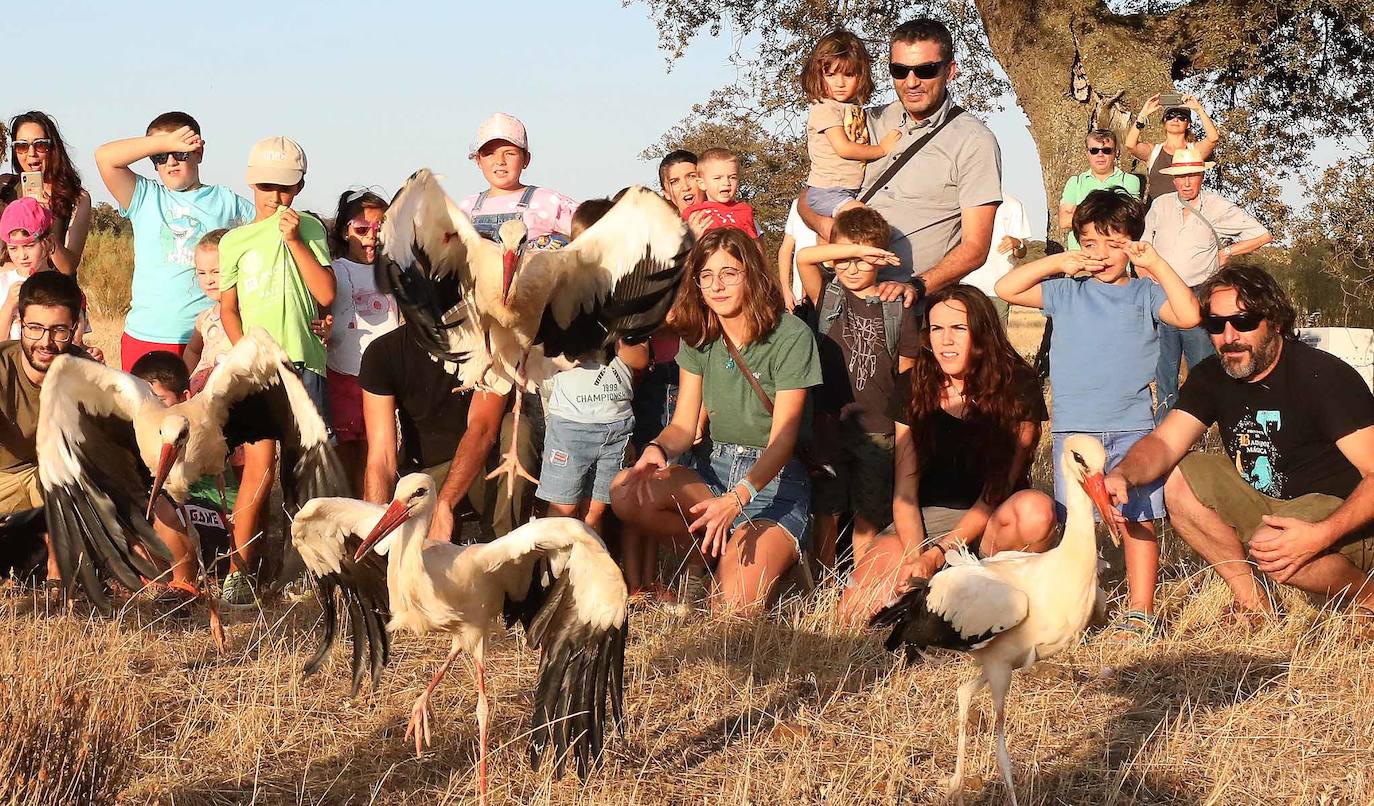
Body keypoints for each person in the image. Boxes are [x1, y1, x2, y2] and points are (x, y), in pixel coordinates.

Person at [1106, 265, 1374, 623]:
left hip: (1339, 513)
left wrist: (1321, 533)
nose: (1228, 336)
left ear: (1274, 321)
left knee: (1271, 544)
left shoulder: (1322, 377)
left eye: (1243, 322)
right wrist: (1123, 474)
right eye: (1216, 325)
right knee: (1177, 479)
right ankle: (1254, 603)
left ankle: (1367, 596)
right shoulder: (1212, 376)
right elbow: (1164, 444)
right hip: (1269, 502)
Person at [996, 189, 1200, 641]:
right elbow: (1005, 288)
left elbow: (1188, 316)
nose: (1101, 255)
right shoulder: (1067, 291)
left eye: (1114, 243)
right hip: (1075, 430)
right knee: (1077, 526)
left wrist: (1156, 264)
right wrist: (1058, 262)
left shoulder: (1146, 293)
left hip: (1131, 427)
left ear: (1133, 242)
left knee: (1136, 518)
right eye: (1089, 243)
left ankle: (1141, 611)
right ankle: (1081, 604)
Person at [611, 228, 821, 612]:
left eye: (729, 273)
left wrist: (738, 498)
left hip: (773, 481)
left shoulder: (791, 334)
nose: (716, 285)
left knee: (730, 611)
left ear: (752, 275)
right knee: (627, 490)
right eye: (706, 275)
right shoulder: (700, 335)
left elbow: (784, 439)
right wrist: (657, 449)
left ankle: (761, 559)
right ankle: (707, 552)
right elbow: (684, 426)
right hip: (714, 469)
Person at [837, 285, 1053, 622]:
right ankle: (938, 603)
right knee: (852, 614)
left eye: (958, 329)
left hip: (993, 522)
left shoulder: (1018, 384)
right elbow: (904, 493)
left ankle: (1000, 598)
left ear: (982, 333)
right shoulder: (914, 384)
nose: (945, 341)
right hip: (924, 521)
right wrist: (916, 556)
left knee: (1037, 511)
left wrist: (938, 556)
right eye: (936, 329)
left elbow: (996, 491)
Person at [799, 17, 1001, 296]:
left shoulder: (974, 141)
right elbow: (810, 196)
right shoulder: (865, 120)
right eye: (900, 70)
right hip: (842, 293)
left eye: (926, 70)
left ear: (950, 71)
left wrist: (914, 287)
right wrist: (835, 233)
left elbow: (975, 248)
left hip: (908, 304)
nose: (911, 81)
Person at [217, 136, 334, 606]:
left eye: (285, 187)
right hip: (261, 371)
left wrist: (293, 240)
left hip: (305, 364)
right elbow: (229, 307)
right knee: (260, 467)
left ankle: (308, 569)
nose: (275, 196)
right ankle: (239, 570)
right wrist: (245, 352)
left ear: (301, 186)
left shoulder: (310, 229)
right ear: (250, 183)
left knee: (306, 470)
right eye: (266, 186)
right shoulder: (236, 241)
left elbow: (326, 294)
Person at [795, 206, 919, 573]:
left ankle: (860, 581)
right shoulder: (829, 297)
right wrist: (852, 252)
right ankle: (822, 583)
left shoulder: (897, 307)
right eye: (844, 258)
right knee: (827, 511)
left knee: (869, 514)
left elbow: (908, 376)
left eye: (862, 260)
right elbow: (804, 258)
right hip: (829, 424)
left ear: (881, 260)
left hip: (879, 429)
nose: (851, 268)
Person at [95, 111, 255, 371]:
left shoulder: (227, 201)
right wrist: (168, 142)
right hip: (145, 335)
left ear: (199, 152)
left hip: (207, 336)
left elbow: (264, 234)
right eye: (160, 156)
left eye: (180, 153)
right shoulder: (144, 196)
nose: (170, 162)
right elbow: (105, 157)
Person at [536, 200, 650, 538]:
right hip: (571, 422)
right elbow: (544, 350)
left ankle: (583, 581)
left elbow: (640, 357)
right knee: (562, 510)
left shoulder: (633, 295)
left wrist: (617, 329)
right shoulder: (560, 293)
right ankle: (549, 580)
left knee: (596, 510)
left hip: (615, 422)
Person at [359, 322, 530, 541]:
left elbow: (482, 429)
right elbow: (381, 456)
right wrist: (375, 532)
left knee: (519, 429)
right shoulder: (382, 352)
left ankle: (503, 556)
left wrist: (445, 503)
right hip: (427, 477)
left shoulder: (491, 344)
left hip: (483, 466)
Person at [1145, 145, 1273, 418]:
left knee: (1202, 366)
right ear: (1173, 178)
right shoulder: (1160, 205)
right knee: (1163, 369)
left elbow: (1262, 234)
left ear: (1202, 176)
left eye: (1192, 175)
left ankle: (1204, 422)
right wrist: (1148, 279)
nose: (1186, 182)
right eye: (1180, 176)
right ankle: (1165, 430)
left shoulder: (1216, 206)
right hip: (1162, 295)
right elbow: (1143, 246)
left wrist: (1227, 251)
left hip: (1198, 295)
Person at [0, 273, 102, 583]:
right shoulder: (3, 364)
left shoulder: (89, 374)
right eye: (34, 328)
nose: (45, 341)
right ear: (20, 322)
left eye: (58, 330)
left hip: (54, 478)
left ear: (76, 328)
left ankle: (60, 582)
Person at [325, 189, 398, 494]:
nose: (371, 237)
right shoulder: (335, 270)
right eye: (362, 229)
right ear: (345, 231)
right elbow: (324, 313)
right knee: (346, 459)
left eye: (379, 229)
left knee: (379, 456)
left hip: (383, 381)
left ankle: (372, 521)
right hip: (342, 375)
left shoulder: (393, 271)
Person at [800, 29, 900, 222]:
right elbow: (844, 148)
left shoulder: (853, 109)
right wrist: (881, 149)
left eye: (848, 75)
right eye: (830, 75)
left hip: (850, 190)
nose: (840, 83)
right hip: (828, 191)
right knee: (866, 221)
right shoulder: (825, 108)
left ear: (861, 76)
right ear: (818, 75)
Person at [458, 112, 578, 247]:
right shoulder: (466, 208)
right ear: (478, 160)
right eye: (490, 153)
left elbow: (594, 235)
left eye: (510, 153)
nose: (500, 161)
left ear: (526, 159)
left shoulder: (549, 202)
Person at [2, 111, 91, 272]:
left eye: (40, 145)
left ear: (53, 147)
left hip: (52, 292)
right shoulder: (5, 187)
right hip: (11, 292)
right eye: (21, 146)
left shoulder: (77, 198)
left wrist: (45, 227)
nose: (31, 153)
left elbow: (68, 267)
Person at [1124, 94, 1221, 202]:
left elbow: (1213, 138)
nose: (1175, 120)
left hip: (1188, 213)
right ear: (1164, 122)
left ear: (1188, 124)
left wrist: (1199, 110)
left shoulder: (1194, 151)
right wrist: (1143, 114)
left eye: (1181, 117)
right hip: (1158, 214)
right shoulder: (1154, 151)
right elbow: (1130, 145)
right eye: (1170, 116)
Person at [1059, 129, 1142, 251]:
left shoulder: (1129, 181)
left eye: (1106, 150)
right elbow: (1064, 221)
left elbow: (1129, 219)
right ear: (1087, 153)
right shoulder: (1075, 182)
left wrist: (1081, 213)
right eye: (1094, 150)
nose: (1100, 155)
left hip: (1116, 257)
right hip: (1081, 259)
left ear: (1116, 153)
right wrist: (1110, 214)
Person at [961, 190, 1030, 324]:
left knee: (996, 340)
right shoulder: (963, 201)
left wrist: (1017, 244)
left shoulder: (1013, 205)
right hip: (965, 285)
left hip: (997, 288)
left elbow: (1021, 253)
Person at [182, 229, 231, 392]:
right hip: (203, 400)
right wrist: (186, 382)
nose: (209, 280)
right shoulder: (205, 318)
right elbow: (192, 350)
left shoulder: (249, 313)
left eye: (216, 272)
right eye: (202, 273)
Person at [680, 147, 760, 238]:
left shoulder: (744, 211)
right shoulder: (694, 214)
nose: (726, 183)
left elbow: (753, 247)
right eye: (717, 178)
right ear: (702, 184)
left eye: (732, 177)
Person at [777, 199, 819, 312]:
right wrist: (785, 289)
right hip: (799, 297)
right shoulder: (798, 203)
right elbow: (785, 248)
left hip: (830, 293)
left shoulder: (841, 203)